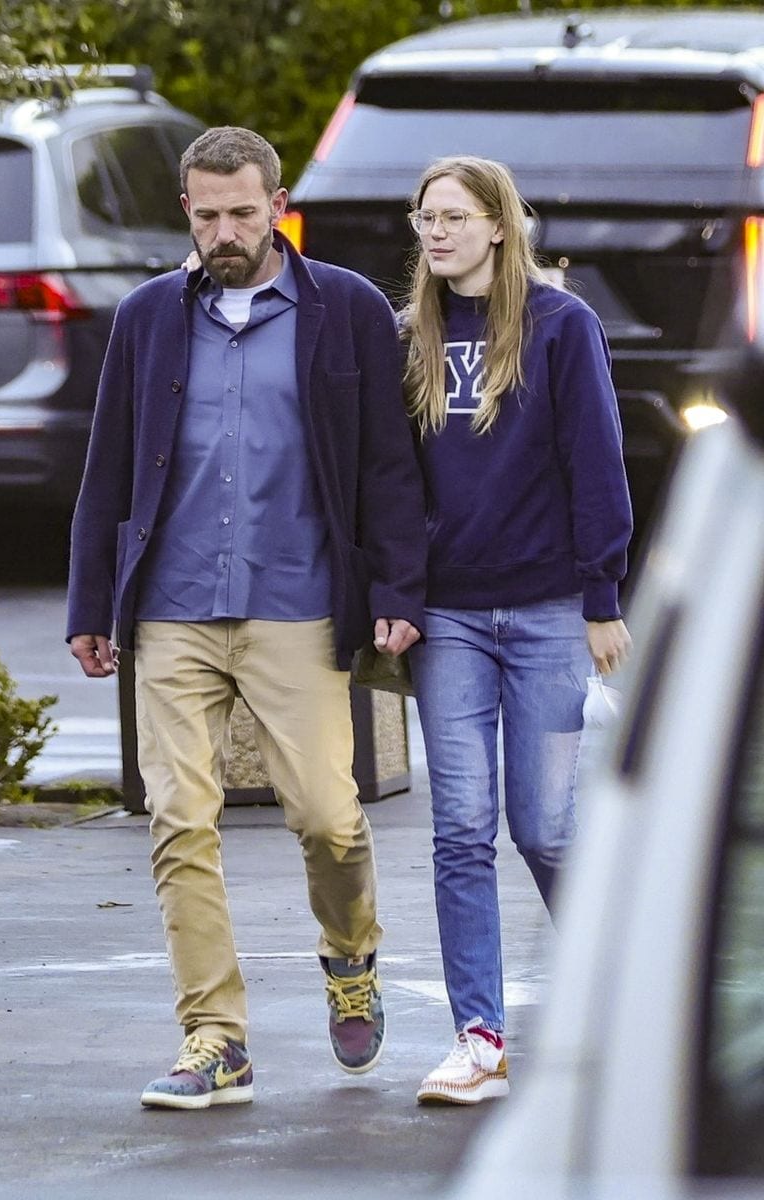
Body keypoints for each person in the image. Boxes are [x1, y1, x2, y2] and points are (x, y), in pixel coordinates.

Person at [67, 126, 426, 1110]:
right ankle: (213, 1037)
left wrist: (396, 594)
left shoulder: (345, 310)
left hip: (297, 606)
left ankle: (350, 959)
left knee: (327, 816)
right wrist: (92, 603)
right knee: (180, 819)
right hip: (171, 610)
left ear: (275, 207)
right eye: (207, 212)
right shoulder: (146, 318)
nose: (225, 230)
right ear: (186, 208)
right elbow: (108, 468)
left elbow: (386, 469)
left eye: (242, 211)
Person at [401, 156, 633, 1105]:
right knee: (459, 831)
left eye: (454, 216)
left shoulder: (559, 325)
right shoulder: (406, 332)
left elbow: (596, 456)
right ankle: (479, 1039)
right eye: (425, 219)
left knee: (544, 827)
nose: (437, 233)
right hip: (447, 614)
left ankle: (619, 1004)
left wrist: (602, 595)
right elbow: (391, 478)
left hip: (543, 611)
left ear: (500, 224)